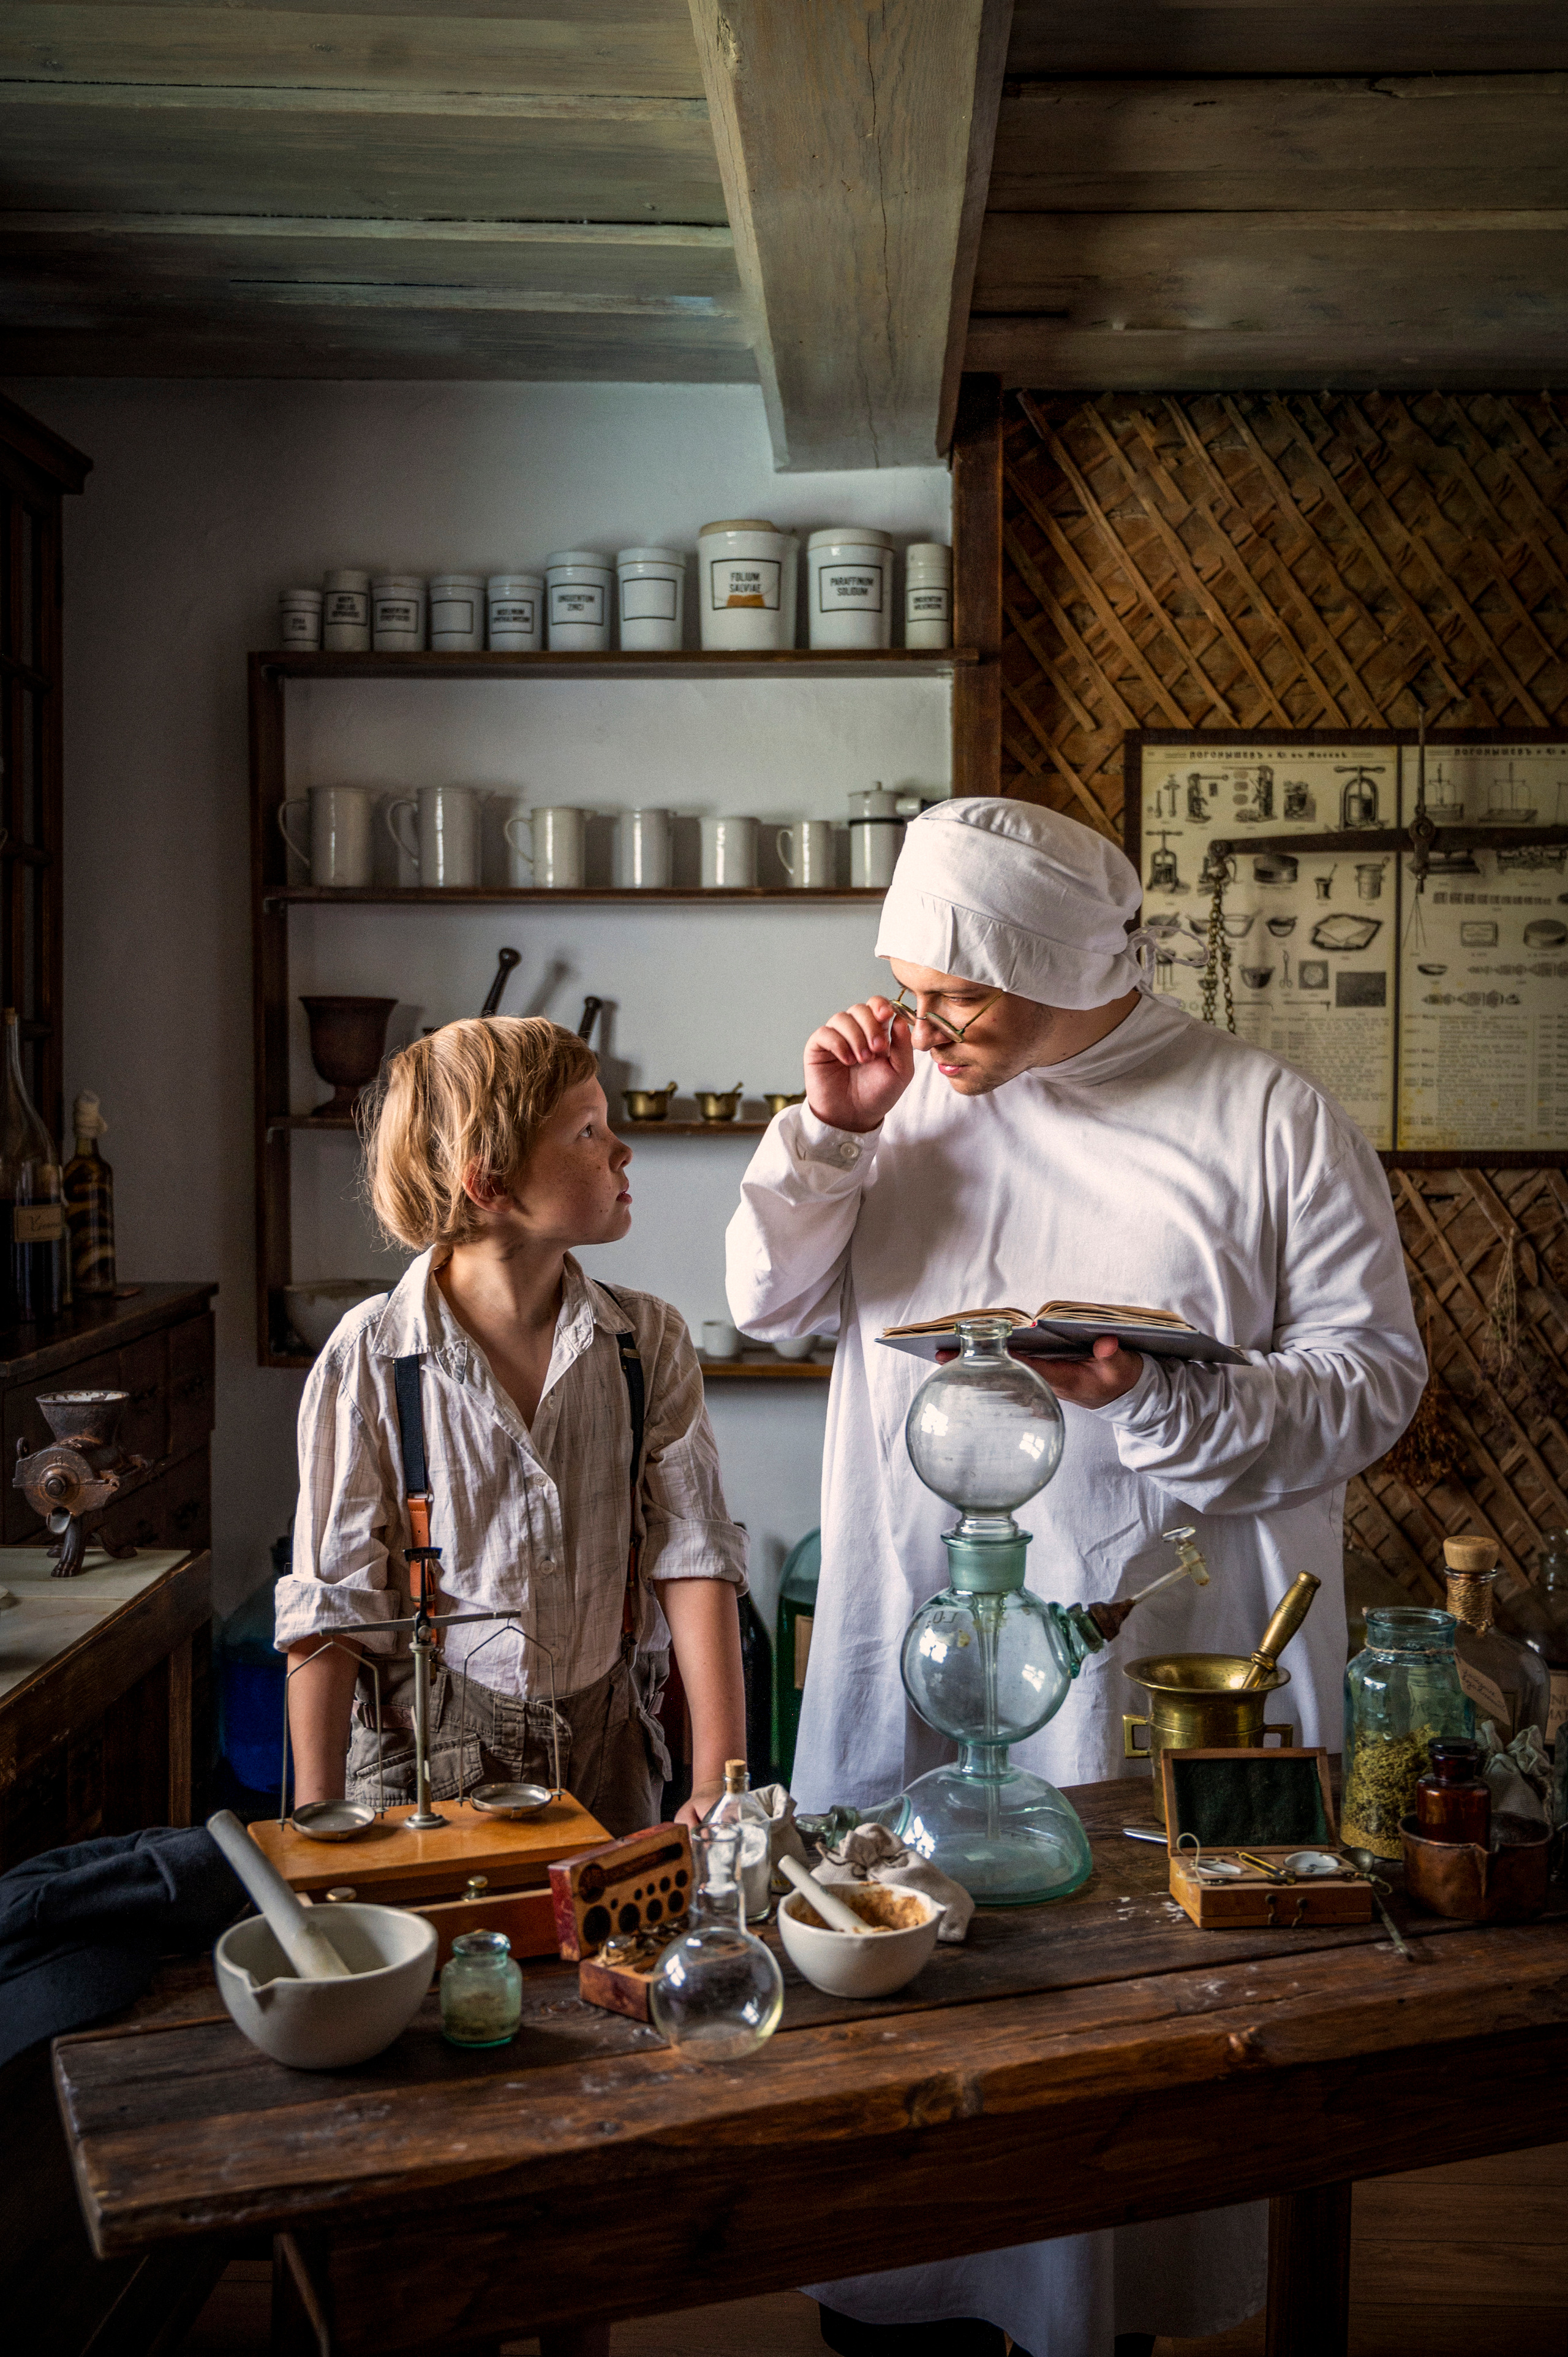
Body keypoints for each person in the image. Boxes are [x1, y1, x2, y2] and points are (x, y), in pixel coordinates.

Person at [726, 798, 1425, 2357]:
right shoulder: (899, 1095)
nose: (920, 1023)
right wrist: (832, 1125)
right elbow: (766, 1304)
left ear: (1055, 966)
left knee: (1109, 2089)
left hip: (1141, 1668)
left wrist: (1157, 1398)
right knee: (896, 2036)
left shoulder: (1261, 1116)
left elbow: (1372, 1382)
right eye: (902, 982)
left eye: (955, 993)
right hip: (911, 1638)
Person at [277, 1015, 748, 1837]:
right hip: (422, 1762)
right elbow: (332, 1610)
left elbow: (695, 1555)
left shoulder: (649, 1344)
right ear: (490, 1182)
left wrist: (719, 1780)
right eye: (588, 1131)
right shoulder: (372, 1357)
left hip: (610, 1748)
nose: (621, 1150)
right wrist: (317, 1827)